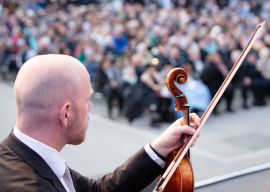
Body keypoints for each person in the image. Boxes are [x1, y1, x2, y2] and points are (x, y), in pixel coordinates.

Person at [0, 54, 201, 192]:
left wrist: (159, 147)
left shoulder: (19, 154)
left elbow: (97, 190)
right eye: (87, 99)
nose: (90, 107)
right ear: (66, 113)